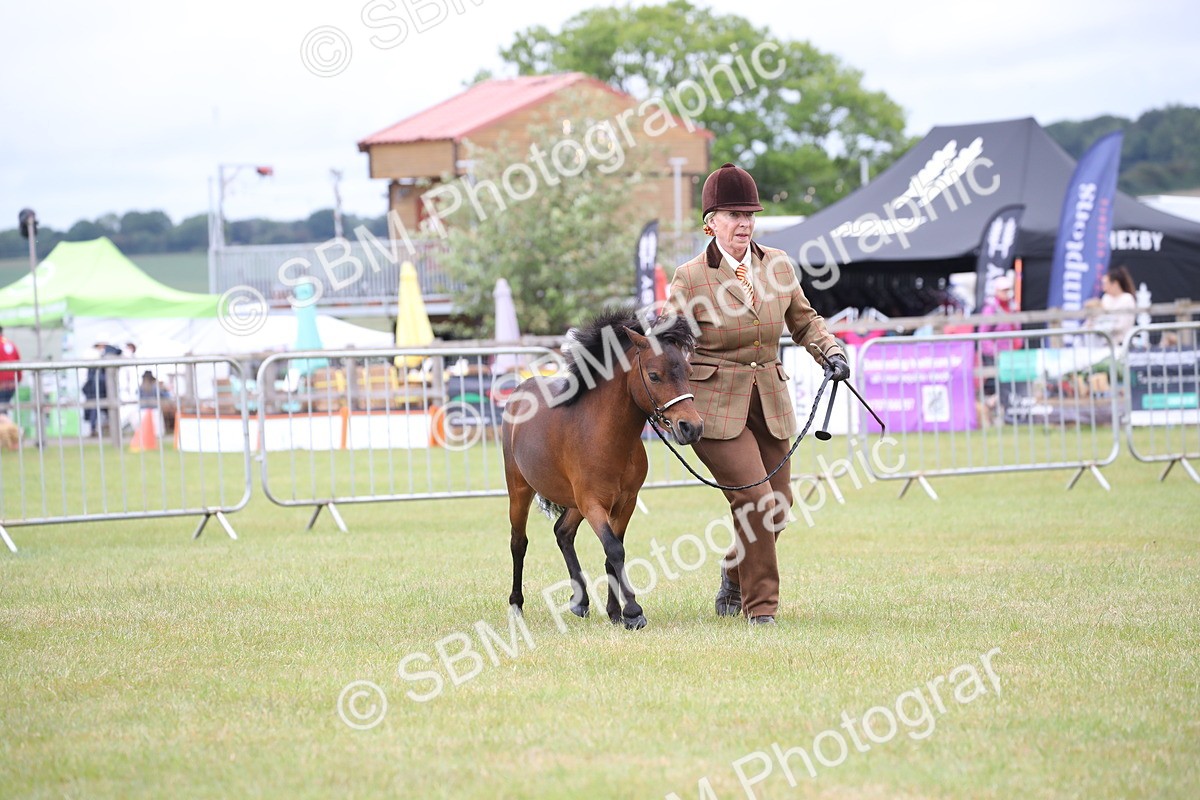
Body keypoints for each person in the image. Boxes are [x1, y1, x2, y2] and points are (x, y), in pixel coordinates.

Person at [663, 163, 849, 625]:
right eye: (732, 214)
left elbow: (804, 321)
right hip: (713, 406)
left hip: (768, 399)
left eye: (749, 214)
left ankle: (733, 576)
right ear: (711, 222)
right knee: (756, 501)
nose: (744, 222)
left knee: (778, 508)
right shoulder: (690, 277)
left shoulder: (778, 264)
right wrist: (668, 403)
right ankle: (760, 610)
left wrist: (831, 352)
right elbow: (669, 343)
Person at [976, 275, 1022, 423]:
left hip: (1012, 353)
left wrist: (1018, 345)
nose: (1006, 293)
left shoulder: (1012, 307)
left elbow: (1017, 329)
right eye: (1003, 290)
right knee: (999, 384)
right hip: (997, 355)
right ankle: (993, 411)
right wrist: (994, 352)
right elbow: (984, 334)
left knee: (1009, 385)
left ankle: (1003, 412)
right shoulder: (991, 309)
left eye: (1008, 290)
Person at [1086, 265, 1137, 348]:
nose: (1104, 288)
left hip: (1122, 344)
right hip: (1105, 345)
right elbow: (1099, 317)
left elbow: (1122, 325)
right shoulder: (1106, 298)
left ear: (1115, 283)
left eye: (1106, 284)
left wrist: (1103, 327)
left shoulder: (1127, 299)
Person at [0, 326, 22, 409]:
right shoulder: (11, 344)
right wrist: (17, 380)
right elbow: (18, 362)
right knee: (3, 408)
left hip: (1, 384)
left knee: (1, 410)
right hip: (12, 384)